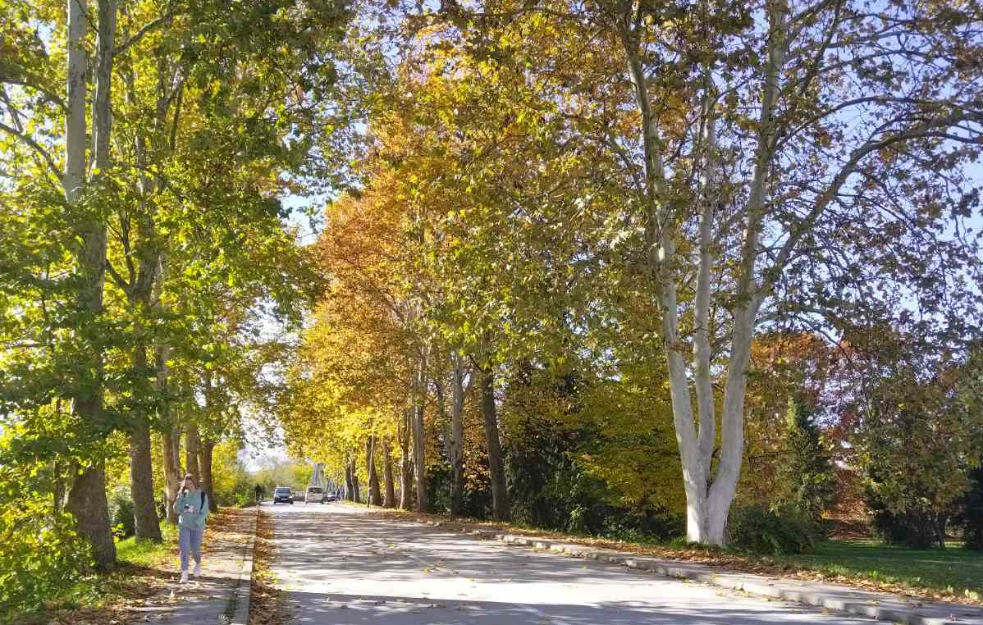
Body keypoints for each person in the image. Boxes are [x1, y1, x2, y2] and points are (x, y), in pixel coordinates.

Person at [173, 474, 209, 583]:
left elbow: (204, 512)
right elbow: (177, 510)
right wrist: (179, 497)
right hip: (184, 525)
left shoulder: (202, 495)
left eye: (190, 483)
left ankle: (198, 564)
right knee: (184, 549)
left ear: (195, 483)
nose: (189, 486)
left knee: (195, 550)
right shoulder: (183, 494)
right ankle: (184, 573)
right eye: (187, 484)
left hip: (197, 526)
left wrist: (197, 522)